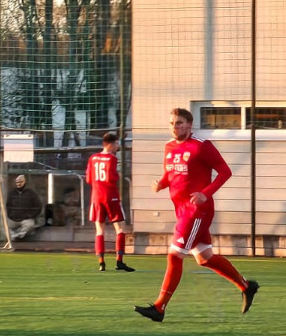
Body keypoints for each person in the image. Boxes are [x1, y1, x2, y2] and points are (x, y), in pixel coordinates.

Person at [135, 107, 259, 322]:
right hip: (182, 210)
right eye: (172, 123)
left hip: (197, 211)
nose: (175, 127)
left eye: (180, 123)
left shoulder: (201, 146)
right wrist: (161, 184)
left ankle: (159, 307)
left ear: (189, 125)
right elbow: (171, 174)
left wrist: (205, 193)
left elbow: (225, 171)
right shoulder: (169, 147)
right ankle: (246, 286)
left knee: (175, 255)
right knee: (204, 258)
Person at [88, 132, 134, 272]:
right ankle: (119, 261)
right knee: (120, 229)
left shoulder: (93, 158)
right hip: (111, 196)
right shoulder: (112, 159)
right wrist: (117, 175)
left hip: (96, 197)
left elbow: (89, 179)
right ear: (110, 144)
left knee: (99, 231)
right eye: (116, 144)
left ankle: (101, 263)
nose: (117, 147)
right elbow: (112, 178)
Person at [5, 174, 43, 241]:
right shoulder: (12, 193)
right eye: (17, 182)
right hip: (13, 219)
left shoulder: (31, 193)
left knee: (30, 225)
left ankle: (19, 236)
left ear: (24, 182)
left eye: (20, 182)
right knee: (3, 225)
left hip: (26, 219)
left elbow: (38, 206)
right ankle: (14, 235)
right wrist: (10, 215)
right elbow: (8, 205)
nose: (18, 184)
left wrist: (30, 215)